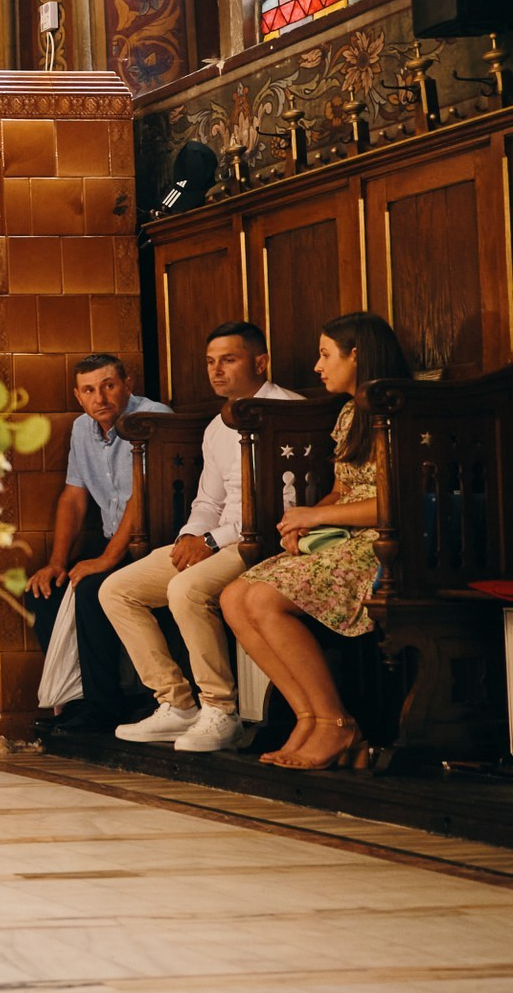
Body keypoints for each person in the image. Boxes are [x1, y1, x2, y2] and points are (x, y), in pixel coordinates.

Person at [224, 313, 411, 770]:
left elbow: (395, 502)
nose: (316, 365)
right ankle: (308, 717)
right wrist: (305, 525)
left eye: (326, 354)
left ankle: (336, 723)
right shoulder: (351, 412)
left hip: (389, 545)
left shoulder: (401, 409)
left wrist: (319, 513)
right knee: (234, 597)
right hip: (349, 539)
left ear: (357, 356)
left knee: (266, 599)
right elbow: (345, 489)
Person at [103, 324, 300, 753]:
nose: (216, 371)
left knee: (187, 589)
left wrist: (210, 542)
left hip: (261, 542)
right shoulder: (217, 425)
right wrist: (191, 535)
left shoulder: (288, 414)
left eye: (228, 360)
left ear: (260, 362)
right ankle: (177, 704)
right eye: (210, 362)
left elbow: (280, 505)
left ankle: (220, 710)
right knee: (117, 589)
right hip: (217, 537)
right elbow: (207, 499)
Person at [25, 353, 170, 732]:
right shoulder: (80, 429)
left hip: (155, 545)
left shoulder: (153, 418)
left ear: (128, 384)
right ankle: (74, 700)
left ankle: (106, 707)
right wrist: (57, 561)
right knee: (46, 590)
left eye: (108, 385)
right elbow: (73, 498)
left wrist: (106, 559)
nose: (100, 397)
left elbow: (144, 496)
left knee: (91, 588)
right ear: (78, 396)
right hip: (114, 543)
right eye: (89, 390)